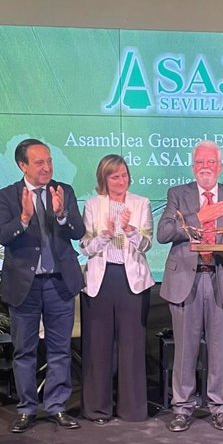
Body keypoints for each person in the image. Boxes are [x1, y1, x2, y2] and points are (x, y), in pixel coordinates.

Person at [157, 140, 223, 432]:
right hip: (187, 279)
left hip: (220, 277)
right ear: (193, 167)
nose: (205, 168)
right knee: (185, 348)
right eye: (200, 163)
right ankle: (183, 408)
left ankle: (220, 407)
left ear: (220, 167)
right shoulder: (178, 195)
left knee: (219, 348)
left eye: (211, 163)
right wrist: (200, 217)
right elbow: (163, 233)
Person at [0, 138, 86, 433]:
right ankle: (26, 408)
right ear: (23, 165)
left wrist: (61, 214)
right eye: (39, 163)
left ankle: (57, 406)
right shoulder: (7, 196)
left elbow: (78, 230)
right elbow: (3, 236)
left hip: (59, 283)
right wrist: (23, 218)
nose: (47, 167)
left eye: (49, 161)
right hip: (25, 286)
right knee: (25, 351)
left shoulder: (63, 191)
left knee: (60, 350)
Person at [79, 154, 154, 425]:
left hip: (132, 281)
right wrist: (105, 235)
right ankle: (98, 409)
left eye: (124, 175)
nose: (120, 181)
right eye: (114, 176)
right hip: (100, 281)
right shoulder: (92, 205)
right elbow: (85, 248)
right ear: (104, 179)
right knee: (98, 347)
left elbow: (147, 245)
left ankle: (132, 409)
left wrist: (131, 231)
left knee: (132, 346)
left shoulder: (141, 203)